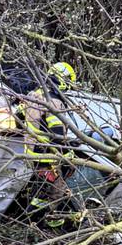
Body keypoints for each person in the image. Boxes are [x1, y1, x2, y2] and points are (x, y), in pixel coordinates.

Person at [19, 62, 77, 227]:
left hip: (33, 152)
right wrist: (66, 157)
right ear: (63, 79)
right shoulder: (54, 101)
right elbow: (57, 133)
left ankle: (33, 223)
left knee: (43, 191)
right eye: (69, 82)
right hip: (46, 153)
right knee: (57, 191)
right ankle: (36, 223)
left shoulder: (35, 95)